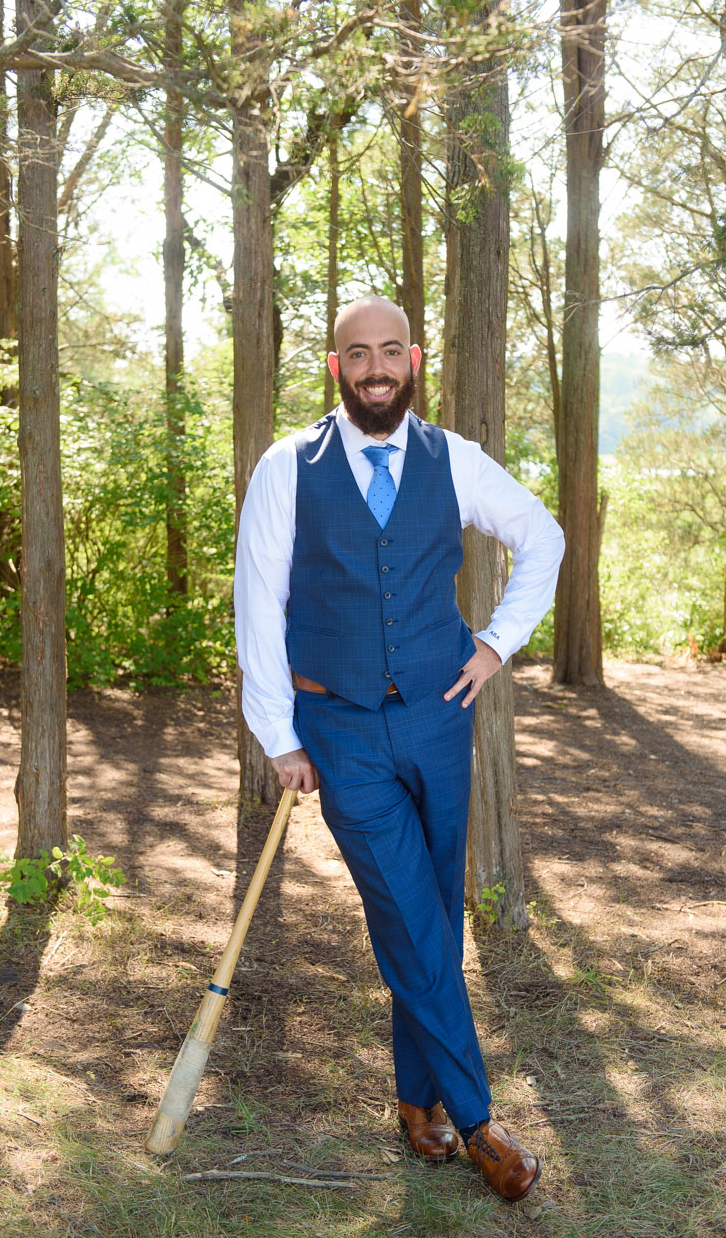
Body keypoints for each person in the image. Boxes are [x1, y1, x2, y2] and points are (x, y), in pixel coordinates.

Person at [234, 295, 564, 1203]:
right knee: (416, 918)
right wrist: (279, 735)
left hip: (438, 716)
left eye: (390, 352)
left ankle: (415, 1100)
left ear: (413, 359)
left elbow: (545, 537)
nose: (375, 367)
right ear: (335, 364)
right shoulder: (286, 468)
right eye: (357, 353)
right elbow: (257, 603)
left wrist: (495, 644)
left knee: (431, 920)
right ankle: (478, 1123)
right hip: (339, 731)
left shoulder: (452, 460)